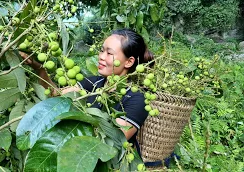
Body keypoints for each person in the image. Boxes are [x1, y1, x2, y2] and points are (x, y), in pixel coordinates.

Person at [19, 28, 153, 144]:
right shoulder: (94, 82)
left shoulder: (137, 98)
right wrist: (39, 69)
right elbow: (56, 96)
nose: (101, 56)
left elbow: (114, 140)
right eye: (102, 51)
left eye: (109, 53)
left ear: (129, 62)